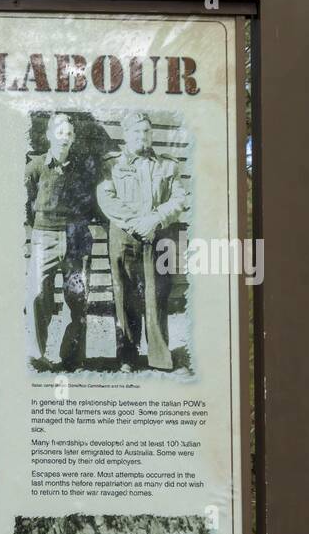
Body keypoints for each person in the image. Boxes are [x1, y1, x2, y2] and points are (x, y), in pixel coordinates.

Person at [95, 112, 188, 371]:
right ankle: (127, 357)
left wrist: (155, 220)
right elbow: (107, 198)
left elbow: (178, 199)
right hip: (124, 237)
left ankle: (159, 357)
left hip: (158, 237)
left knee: (157, 295)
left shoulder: (167, 165)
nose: (141, 136)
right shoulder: (111, 165)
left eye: (146, 132)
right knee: (125, 296)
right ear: (125, 135)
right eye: (136, 132)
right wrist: (136, 223)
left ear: (151, 134)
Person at [25, 113, 95, 369]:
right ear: (49, 136)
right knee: (36, 295)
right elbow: (23, 203)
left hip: (74, 240)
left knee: (77, 297)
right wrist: (28, 236)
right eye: (60, 133)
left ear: (73, 139)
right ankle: (36, 355)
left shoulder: (80, 169)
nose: (64, 138)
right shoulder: (36, 167)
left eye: (69, 134)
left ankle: (71, 356)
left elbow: (88, 205)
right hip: (44, 237)